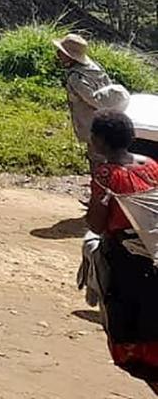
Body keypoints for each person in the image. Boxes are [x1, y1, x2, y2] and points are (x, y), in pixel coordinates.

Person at [82, 111, 158, 396]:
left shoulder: (105, 175)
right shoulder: (150, 165)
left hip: (131, 266)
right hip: (155, 251)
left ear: (99, 141)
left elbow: (96, 224)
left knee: (138, 339)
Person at [55, 33, 128, 167]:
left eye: (61, 52)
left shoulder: (76, 78)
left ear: (69, 56)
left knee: (97, 160)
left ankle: (101, 185)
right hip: (108, 121)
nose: (58, 54)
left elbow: (94, 100)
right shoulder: (94, 67)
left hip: (93, 125)